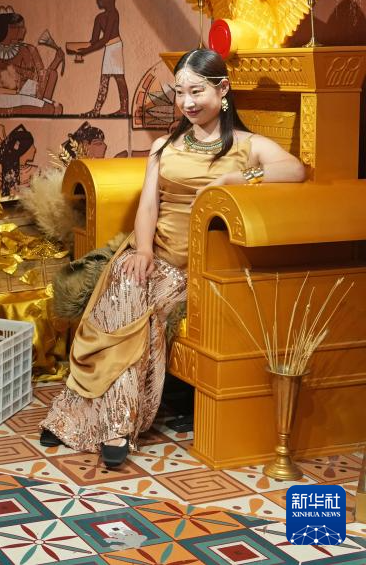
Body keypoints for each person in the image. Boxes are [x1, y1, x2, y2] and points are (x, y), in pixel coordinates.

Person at [39, 49, 307, 468]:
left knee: (136, 310)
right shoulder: (164, 146)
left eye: (196, 91)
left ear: (222, 89)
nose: (187, 102)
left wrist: (240, 177)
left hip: (199, 269)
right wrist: (144, 250)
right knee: (126, 288)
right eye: (180, 92)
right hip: (155, 254)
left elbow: (295, 170)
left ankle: (80, 418)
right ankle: (112, 426)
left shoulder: (247, 146)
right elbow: (149, 205)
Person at [0, 7, 63, 113]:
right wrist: (20, 75)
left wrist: (56, 60)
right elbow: (0, 81)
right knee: (51, 109)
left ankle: (43, 105)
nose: (24, 30)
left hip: (25, 94)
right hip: (4, 97)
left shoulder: (25, 49)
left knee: (52, 76)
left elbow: (36, 78)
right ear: (8, 28)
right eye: (20, 27)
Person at [68, 0, 129, 116]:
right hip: (109, 48)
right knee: (105, 79)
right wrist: (78, 48)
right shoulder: (99, 18)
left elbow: (105, 39)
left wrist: (85, 51)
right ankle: (96, 110)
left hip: (115, 48)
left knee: (118, 78)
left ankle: (123, 109)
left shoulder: (113, 14)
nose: (98, 1)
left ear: (109, 0)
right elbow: (94, 41)